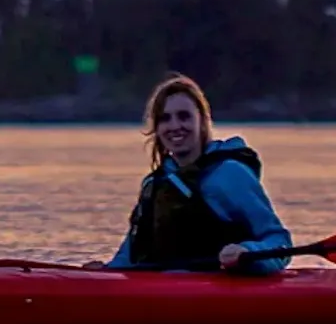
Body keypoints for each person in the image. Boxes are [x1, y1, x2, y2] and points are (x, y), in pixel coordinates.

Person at [97, 74, 292, 275]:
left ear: (202, 121)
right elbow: (131, 255)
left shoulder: (230, 174)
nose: (174, 126)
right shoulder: (154, 184)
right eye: (165, 119)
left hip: (222, 293)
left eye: (184, 116)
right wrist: (104, 274)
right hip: (166, 292)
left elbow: (279, 243)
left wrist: (248, 251)